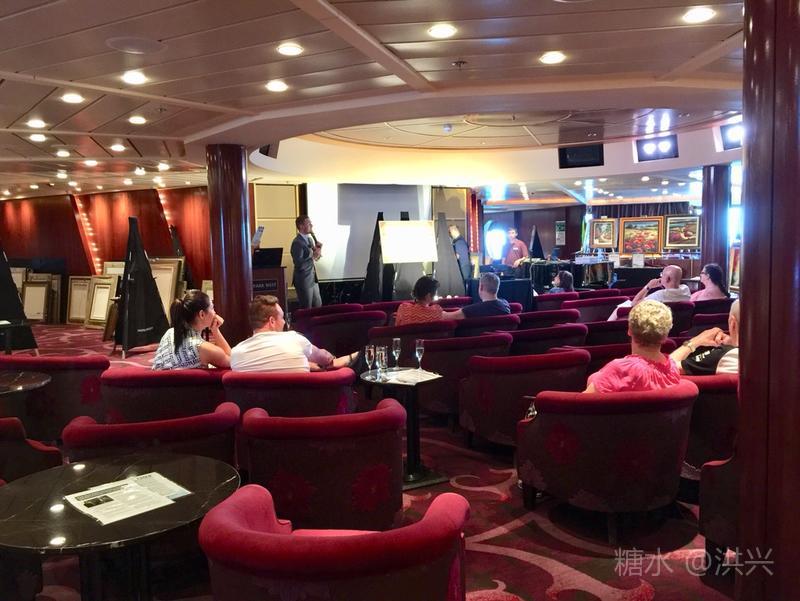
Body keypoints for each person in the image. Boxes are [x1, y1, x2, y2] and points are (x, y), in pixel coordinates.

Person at [230, 295, 357, 373]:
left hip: (255, 409)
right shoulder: (294, 339)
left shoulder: (236, 353)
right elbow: (325, 359)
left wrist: (307, 364)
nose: (284, 322)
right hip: (302, 407)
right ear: (272, 321)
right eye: (282, 318)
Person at [585, 300, 681, 393]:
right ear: (665, 337)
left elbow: (583, 402)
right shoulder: (672, 369)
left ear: (629, 330)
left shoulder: (620, 370)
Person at [152, 289, 231, 370]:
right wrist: (216, 331)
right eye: (212, 308)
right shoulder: (204, 348)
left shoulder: (169, 332)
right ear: (202, 314)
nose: (215, 313)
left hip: (156, 378)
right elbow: (232, 362)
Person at [671, 299, 740, 375]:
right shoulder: (745, 359)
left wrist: (696, 341)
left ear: (732, 323)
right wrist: (733, 342)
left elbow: (666, 369)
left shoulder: (722, 355)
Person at [608, 264, 690, 320]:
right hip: (674, 323)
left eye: (662, 275)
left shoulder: (660, 295)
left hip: (651, 320)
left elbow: (634, 303)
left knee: (618, 310)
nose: (660, 277)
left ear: (667, 279)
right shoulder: (685, 289)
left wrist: (648, 287)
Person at [442, 272, 510, 320]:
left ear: (481, 287)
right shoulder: (505, 305)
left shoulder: (471, 310)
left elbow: (446, 317)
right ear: (497, 288)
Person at [291, 214, 322, 309]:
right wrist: (313, 257)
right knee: (307, 307)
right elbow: (299, 264)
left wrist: (319, 249)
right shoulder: (297, 242)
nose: (311, 225)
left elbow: (316, 258)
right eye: (309, 223)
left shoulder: (309, 239)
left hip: (312, 279)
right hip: (303, 280)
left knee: (318, 305)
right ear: (301, 226)